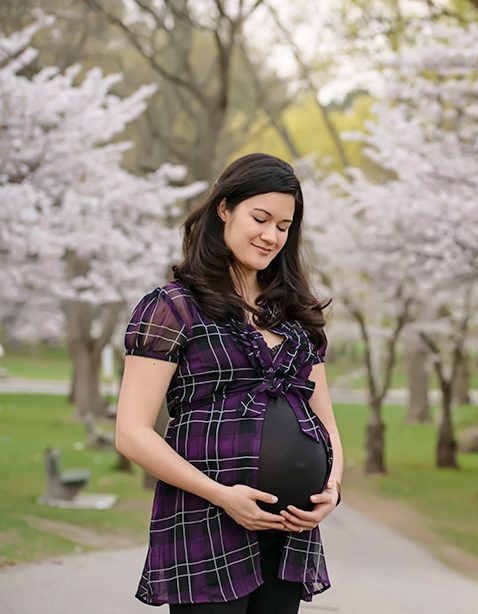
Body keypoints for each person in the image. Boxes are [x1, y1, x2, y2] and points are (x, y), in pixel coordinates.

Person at [115, 153, 343, 614]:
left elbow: (325, 423)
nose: (271, 235)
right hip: (206, 518)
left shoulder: (298, 315)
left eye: (283, 226)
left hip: (290, 531)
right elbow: (131, 433)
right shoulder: (174, 307)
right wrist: (223, 495)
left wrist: (333, 489)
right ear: (225, 209)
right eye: (260, 218)